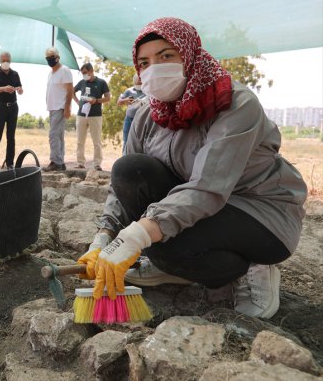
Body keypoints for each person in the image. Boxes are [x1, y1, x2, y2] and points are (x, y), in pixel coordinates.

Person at [77, 17, 306, 319]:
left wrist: (136, 237)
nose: (153, 69)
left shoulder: (235, 104)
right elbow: (123, 186)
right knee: (130, 170)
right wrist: (105, 235)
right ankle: (180, 266)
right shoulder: (146, 114)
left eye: (166, 56)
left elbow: (207, 187)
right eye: (144, 62)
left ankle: (253, 267)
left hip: (259, 210)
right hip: (198, 206)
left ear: (190, 56)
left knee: (159, 248)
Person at [0, 52, 23, 171]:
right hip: (0, 107)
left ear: (10, 60)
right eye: (3, 60)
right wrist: (3, 88)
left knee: (11, 137)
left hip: (13, 107)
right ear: (0, 61)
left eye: (7, 60)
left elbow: (21, 90)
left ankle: (10, 164)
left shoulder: (15, 74)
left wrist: (19, 89)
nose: (5, 62)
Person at [72, 63, 111, 170]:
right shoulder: (82, 82)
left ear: (91, 71)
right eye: (82, 73)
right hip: (81, 115)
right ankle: (80, 163)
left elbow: (108, 98)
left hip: (96, 115)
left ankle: (97, 164)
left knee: (97, 141)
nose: (84, 75)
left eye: (85, 73)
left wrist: (97, 100)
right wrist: (77, 102)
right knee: (80, 140)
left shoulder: (101, 82)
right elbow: (72, 91)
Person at [44, 47, 73, 172]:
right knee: (58, 136)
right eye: (48, 58)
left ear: (57, 57)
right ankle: (60, 162)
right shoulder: (51, 73)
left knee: (53, 135)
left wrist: (67, 107)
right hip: (52, 108)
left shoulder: (64, 70)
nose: (50, 60)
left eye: (52, 57)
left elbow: (70, 90)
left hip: (60, 107)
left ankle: (55, 161)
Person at [117, 73, 148, 154]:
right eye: (137, 83)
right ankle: (124, 161)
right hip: (129, 119)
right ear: (134, 82)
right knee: (126, 141)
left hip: (142, 120)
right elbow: (119, 102)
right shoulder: (129, 90)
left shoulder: (147, 90)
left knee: (141, 142)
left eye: (140, 82)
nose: (139, 84)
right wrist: (126, 100)